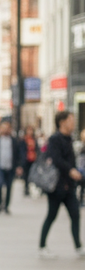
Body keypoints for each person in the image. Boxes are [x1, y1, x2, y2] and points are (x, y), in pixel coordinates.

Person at [39, 111, 84, 259]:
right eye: (71, 120)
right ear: (62, 122)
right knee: (51, 215)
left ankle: (78, 246)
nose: (73, 123)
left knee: (75, 214)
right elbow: (56, 159)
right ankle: (42, 246)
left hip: (69, 186)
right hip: (56, 186)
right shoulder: (55, 139)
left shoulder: (69, 138)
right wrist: (71, 170)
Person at [0, 120, 24, 215]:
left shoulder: (14, 141)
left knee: (9, 187)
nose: (6, 130)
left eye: (8, 128)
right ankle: (0, 204)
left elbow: (19, 154)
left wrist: (19, 166)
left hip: (10, 167)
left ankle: (6, 206)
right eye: (4, 128)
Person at [21, 126, 40, 197]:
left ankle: (32, 187)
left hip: (33, 159)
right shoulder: (24, 140)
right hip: (26, 159)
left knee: (33, 174)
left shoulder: (34, 139)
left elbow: (37, 149)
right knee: (26, 175)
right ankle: (26, 188)